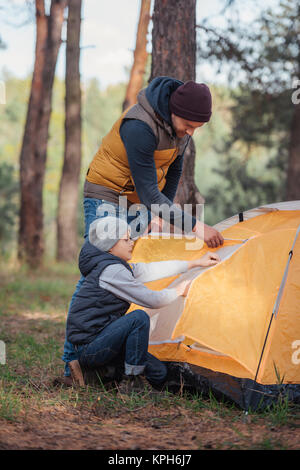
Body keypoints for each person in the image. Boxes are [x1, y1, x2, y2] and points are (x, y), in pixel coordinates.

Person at [61, 75, 224, 383]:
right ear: (173, 110)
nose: (190, 133)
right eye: (188, 125)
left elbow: (168, 182)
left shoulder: (182, 130)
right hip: (107, 195)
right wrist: (195, 226)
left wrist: (156, 212)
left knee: (130, 267)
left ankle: (104, 360)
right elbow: (150, 191)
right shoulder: (139, 126)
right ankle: (72, 363)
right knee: (98, 271)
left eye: (195, 129)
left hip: (137, 199)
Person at [66, 216, 220, 391]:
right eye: (126, 239)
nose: (132, 242)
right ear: (110, 245)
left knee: (159, 374)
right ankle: (131, 381)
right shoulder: (112, 271)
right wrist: (179, 291)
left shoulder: (114, 266)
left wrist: (195, 263)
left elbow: (151, 270)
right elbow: (153, 300)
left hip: (104, 341)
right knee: (138, 317)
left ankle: (96, 374)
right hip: (91, 348)